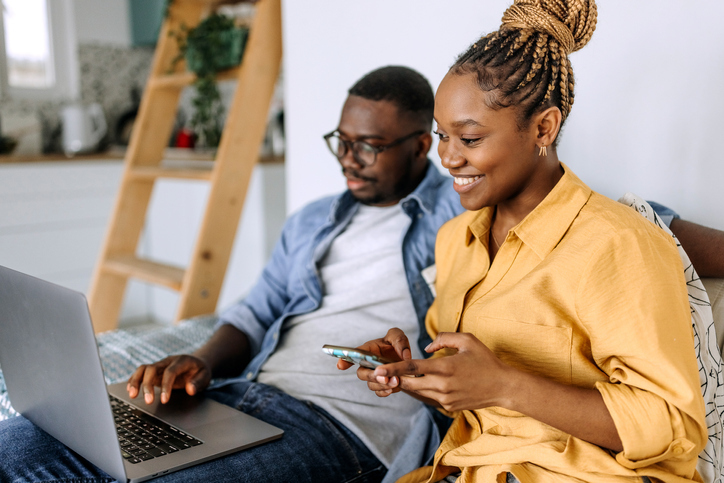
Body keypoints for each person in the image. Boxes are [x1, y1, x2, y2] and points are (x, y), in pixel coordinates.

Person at [0, 66, 464, 483]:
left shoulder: (462, 215)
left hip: (340, 425)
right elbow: (255, 312)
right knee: (18, 448)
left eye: (368, 146)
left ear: (423, 145)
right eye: (341, 141)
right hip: (238, 396)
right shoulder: (312, 220)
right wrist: (201, 361)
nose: (348, 158)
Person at [342, 1, 709, 482]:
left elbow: (671, 423)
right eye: (442, 136)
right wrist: (409, 371)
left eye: (469, 140)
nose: (449, 158)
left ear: (543, 128)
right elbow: (471, 395)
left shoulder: (618, 244)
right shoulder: (456, 240)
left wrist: (506, 386)